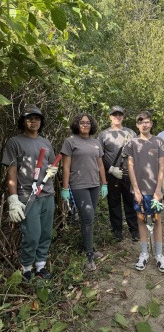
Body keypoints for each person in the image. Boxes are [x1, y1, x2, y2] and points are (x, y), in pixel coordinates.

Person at [2, 105, 59, 281]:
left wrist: (53, 170)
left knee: (45, 233)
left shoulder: (46, 142)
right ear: (23, 121)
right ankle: (26, 268)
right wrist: (13, 199)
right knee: (32, 235)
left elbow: (53, 164)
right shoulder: (14, 142)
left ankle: (40, 266)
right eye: (29, 118)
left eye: (37, 118)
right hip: (27, 195)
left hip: (47, 194)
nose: (33, 121)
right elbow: (11, 171)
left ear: (41, 122)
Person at [61, 112, 108, 271]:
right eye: (82, 122)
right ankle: (89, 256)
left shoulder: (96, 142)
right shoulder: (70, 141)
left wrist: (104, 183)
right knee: (87, 217)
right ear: (77, 124)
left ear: (91, 125)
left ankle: (90, 248)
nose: (85, 125)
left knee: (88, 219)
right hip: (78, 185)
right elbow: (66, 166)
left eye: (88, 122)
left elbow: (100, 164)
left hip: (94, 184)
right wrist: (65, 188)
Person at [123, 111, 164, 273]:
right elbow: (130, 166)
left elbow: (162, 167)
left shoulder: (159, 142)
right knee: (141, 219)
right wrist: (136, 190)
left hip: (154, 190)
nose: (145, 125)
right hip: (138, 190)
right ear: (137, 125)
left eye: (148, 122)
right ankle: (143, 253)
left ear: (151, 124)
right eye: (141, 122)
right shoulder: (132, 143)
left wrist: (158, 189)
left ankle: (159, 255)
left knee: (157, 220)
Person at [97, 106, 139, 242]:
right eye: (114, 114)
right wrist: (110, 169)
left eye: (119, 114)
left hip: (128, 173)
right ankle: (117, 231)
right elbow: (99, 155)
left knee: (130, 201)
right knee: (114, 203)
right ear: (110, 117)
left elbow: (137, 152)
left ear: (123, 116)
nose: (117, 117)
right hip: (112, 173)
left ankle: (134, 230)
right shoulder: (103, 135)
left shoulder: (131, 133)